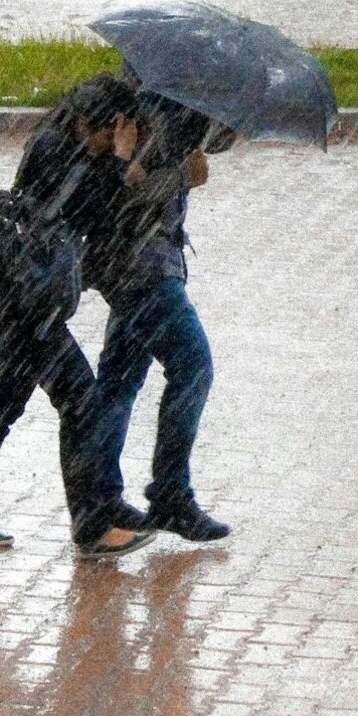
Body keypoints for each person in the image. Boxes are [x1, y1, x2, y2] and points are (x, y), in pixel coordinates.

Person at [0, 75, 202, 557]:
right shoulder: (60, 151)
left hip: (16, 293)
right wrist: (124, 163)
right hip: (26, 301)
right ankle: (91, 526)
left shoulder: (58, 140)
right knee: (81, 400)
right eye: (116, 130)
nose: (119, 140)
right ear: (96, 124)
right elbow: (100, 212)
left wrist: (124, 165)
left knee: (2, 401)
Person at [82, 93, 235, 543]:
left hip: (138, 264)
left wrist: (225, 119)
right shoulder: (153, 108)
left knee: (119, 380)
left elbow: (216, 142)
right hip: (142, 268)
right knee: (193, 366)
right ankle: (169, 494)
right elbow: (125, 196)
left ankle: (100, 498)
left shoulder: (180, 102)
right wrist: (182, 177)